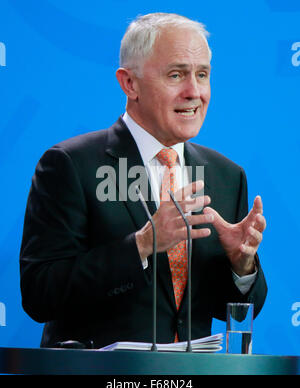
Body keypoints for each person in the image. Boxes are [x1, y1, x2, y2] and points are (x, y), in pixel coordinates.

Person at [20, 13, 267, 349]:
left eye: (203, 75)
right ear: (129, 84)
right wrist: (142, 244)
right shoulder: (70, 165)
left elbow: (230, 308)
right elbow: (40, 294)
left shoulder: (226, 175)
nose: (194, 92)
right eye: (176, 75)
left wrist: (242, 266)